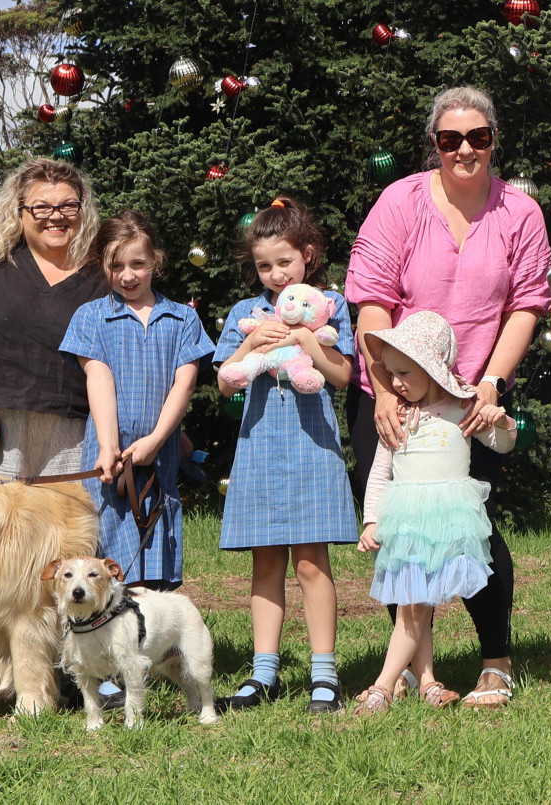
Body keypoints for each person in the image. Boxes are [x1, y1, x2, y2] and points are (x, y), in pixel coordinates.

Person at [345, 85, 551, 709]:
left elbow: (526, 306)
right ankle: (416, 669)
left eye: (478, 137)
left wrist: (490, 384)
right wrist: (383, 393)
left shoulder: (520, 213)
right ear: (434, 145)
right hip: (392, 390)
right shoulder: (399, 201)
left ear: (494, 141)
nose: (465, 149)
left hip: (471, 399)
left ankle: (496, 661)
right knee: (402, 529)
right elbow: (372, 303)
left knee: (476, 528)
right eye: (450, 139)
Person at [58, 209, 214, 707]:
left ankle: (145, 661)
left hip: (158, 458)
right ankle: (102, 672)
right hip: (109, 459)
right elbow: (97, 378)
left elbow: (183, 383)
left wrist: (155, 440)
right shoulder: (92, 317)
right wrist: (108, 445)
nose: (128, 275)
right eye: (116, 265)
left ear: (156, 262)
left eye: (138, 264)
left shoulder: (182, 318)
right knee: (109, 556)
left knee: (150, 563)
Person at [215, 197, 359, 714]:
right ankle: (264, 674)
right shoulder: (244, 314)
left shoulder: (332, 308)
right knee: (266, 564)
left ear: (309, 256)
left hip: (313, 448)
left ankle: (325, 675)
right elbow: (224, 384)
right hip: (259, 451)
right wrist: (252, 347)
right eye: (263, 266)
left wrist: (305, 340)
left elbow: (343, 377)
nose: (275, 275)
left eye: (284, 262)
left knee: (312, 564)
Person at [353, 311, 517, 715]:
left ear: (431, 368)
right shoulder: (399, 415)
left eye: (404, 373)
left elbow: (503, 444)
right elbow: (380, 471)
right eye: (390, 374)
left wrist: (503, 420)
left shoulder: (463, 406)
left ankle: (383, 685)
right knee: (415, 601)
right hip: (408, 521)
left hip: (448, 519)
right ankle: (426, 681)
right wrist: (372, 519)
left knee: (414, 605)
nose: (394, 384)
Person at [0, 158, 106, 479]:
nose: (56, 216)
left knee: (66, 529)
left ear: (83, 211)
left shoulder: (105, 273)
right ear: (19, 211)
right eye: (41, 207)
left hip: (80, 435)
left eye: (68, 205)